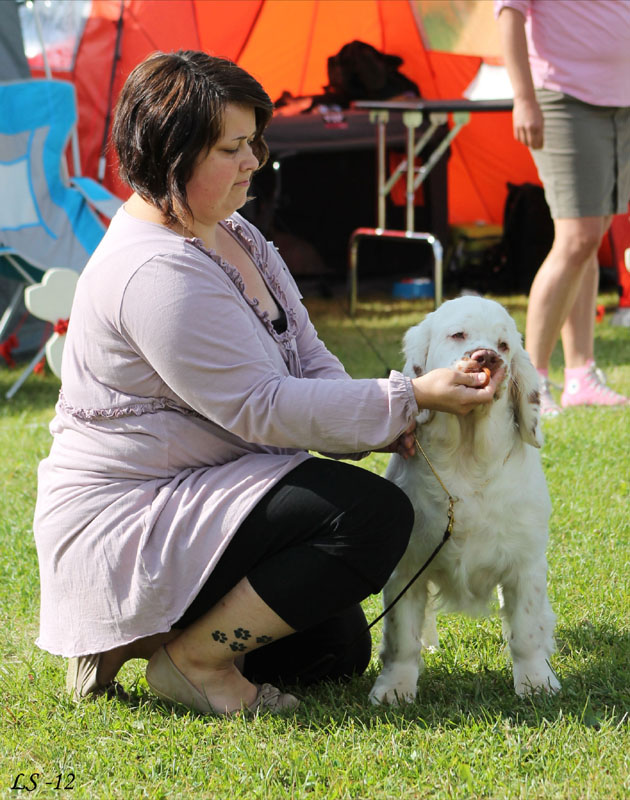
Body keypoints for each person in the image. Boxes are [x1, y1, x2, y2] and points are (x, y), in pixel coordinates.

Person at [33, 50, 503, 717]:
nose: (254, 161)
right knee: (371, 518)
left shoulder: (231, 230)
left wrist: (381, 420)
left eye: (255, 141)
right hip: (131, 517)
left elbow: (307, 356)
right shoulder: (153, 273)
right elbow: (263, 406)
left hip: (208, 488)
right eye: (232, 148)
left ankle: (151, 636)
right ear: (171, 156)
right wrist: (410, 398)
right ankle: (189, 661)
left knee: (334, 651)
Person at [495, 0, 630, 416]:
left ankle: (580, 374)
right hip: (564, 99)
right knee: (577, 238)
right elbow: (509, 14)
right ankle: (528, 382)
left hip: (620, 103)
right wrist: (524, 98)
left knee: (590, 237)